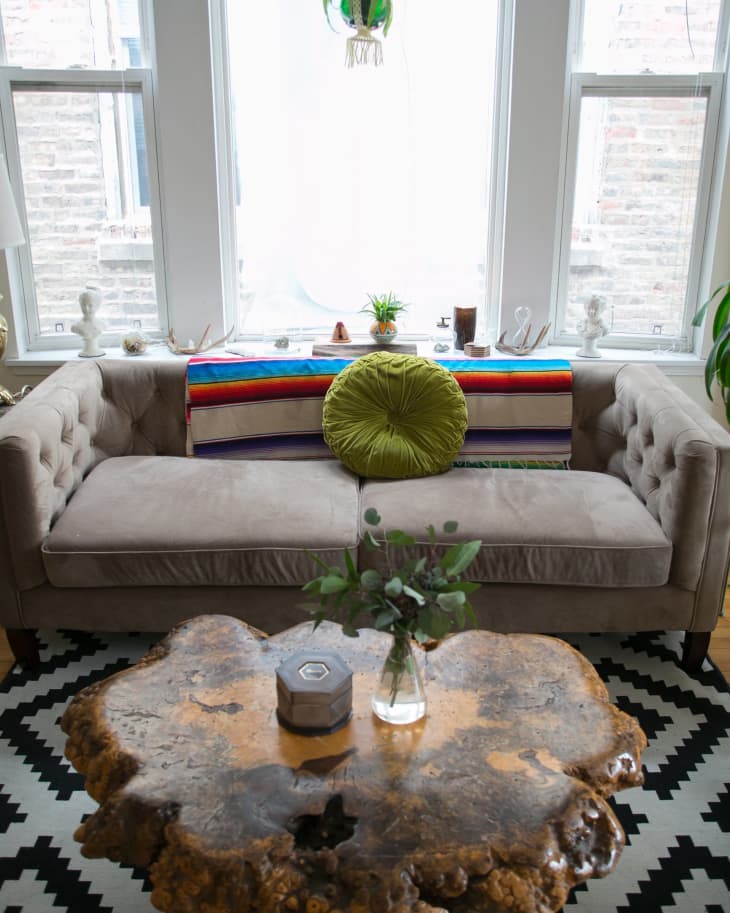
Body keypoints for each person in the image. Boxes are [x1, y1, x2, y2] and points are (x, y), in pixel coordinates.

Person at [71, 286, 106, 357]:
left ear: (96, 306)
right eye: (84, 305)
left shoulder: (102, 324)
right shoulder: (76, 326)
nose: (86, 309)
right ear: (80, 305)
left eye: (90, 305)